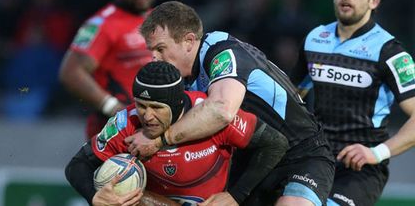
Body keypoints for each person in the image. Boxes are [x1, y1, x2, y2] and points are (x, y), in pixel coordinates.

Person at [125, 1, 335, 206]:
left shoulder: (223, 54)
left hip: (303, 155)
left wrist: (159, 141)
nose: (154, 58)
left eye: (161, 49)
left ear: (189, 41)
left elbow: (221, 110)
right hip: (255, 162)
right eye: (151, 51)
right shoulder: (184, 80)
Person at [65, 61, 284, 206]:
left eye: (157, 108)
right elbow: (77, 166)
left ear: (178, 103)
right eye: (141, 105)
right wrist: (95, 197)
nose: (147, 116)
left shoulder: (211, 115)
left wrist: (236, 196)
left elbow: (275, 143)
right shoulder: (125, 123)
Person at [290, 0, 415, 205]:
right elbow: (292, 98)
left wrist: (376, 153)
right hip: (315, 158)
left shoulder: (390, 52)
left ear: (374, 1)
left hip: (361, 169)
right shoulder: (314, 40)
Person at [59, 0, 157, 139]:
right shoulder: (101, 24)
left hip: (150, 131)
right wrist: (112, 107)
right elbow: (70, 72)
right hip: (113, 135)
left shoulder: (158, 20)